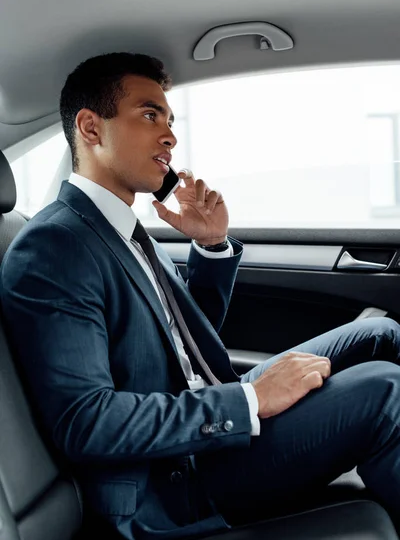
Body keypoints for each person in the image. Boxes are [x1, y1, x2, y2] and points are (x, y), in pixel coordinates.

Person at [1, 52, 400, 540]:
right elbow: (88, 422)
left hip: (198, 419)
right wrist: (251, 399)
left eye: (170, 119)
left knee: (379, 334)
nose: (170, 135)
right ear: (90, 128)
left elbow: (182, 341)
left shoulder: (123, 227)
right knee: (385, 391)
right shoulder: (55, 245)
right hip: (170, 479)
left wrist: (210, 246)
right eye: (150, 115)